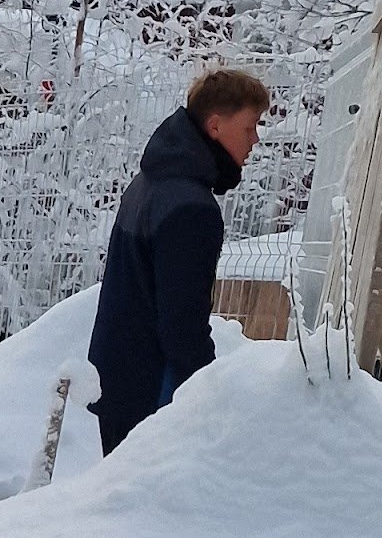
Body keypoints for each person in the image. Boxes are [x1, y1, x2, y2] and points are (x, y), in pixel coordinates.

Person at [88, 70, 270, 454]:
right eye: (250, 126)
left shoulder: (147, 184)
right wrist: (207, 399)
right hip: (154, 393)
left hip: (118, 379)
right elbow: (181, 325)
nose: (255, 139)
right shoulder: (191, 208)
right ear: (216, 125)